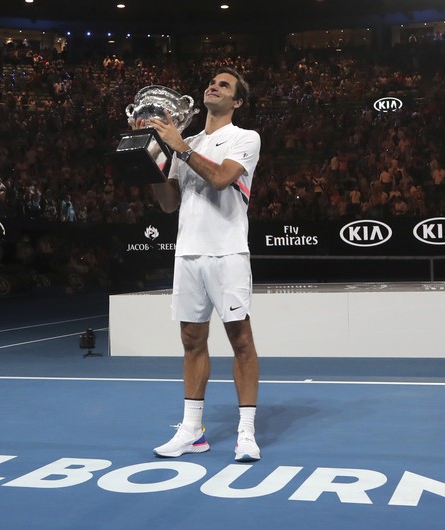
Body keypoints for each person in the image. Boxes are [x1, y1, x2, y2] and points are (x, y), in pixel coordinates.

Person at [132, 67, 262, 462]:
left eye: (224, 85)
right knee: (191, 341)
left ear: (237, 101)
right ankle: (192, 431)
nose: (214, 86)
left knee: (240, 340)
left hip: (227, 251)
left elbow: (222, 178)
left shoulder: (244, 138)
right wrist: (149, 154)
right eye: (212, 82)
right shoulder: (183, 140)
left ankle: (245, 432)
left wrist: (180, 148)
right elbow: (170, 203)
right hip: (187, 252)